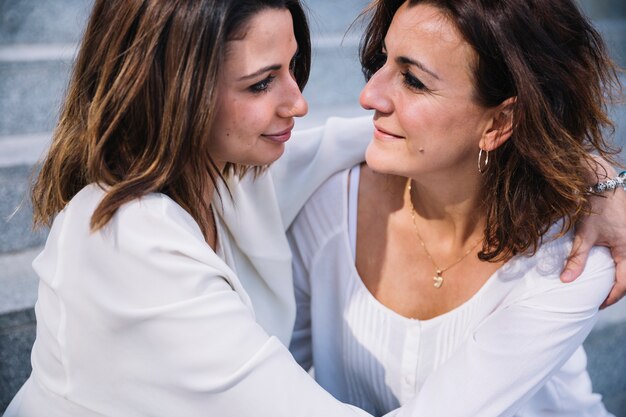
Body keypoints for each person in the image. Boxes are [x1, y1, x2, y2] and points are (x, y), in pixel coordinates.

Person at [4, 0, 625, 416]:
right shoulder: (127, 245)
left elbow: (372, 137)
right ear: (174, 95)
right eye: (260, 83)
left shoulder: (237, 177)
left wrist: (599, 179)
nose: (299, 105)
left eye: (292, 70)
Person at [288, 0, 625, 416]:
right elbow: (269, 375)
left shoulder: (568, 262)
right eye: (382, 59)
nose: (368, 94)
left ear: (501, 122)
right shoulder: (329, 208)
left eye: (412, 80)